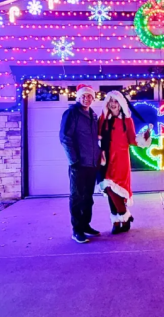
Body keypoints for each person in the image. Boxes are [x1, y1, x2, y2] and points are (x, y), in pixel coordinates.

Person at [97, 91, 152, 233]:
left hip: (121, 159)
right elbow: (97, 137)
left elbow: (132, 140)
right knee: (108, 188)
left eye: (115, 101)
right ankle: (121, 218)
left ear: (120, 104)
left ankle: (120, 219)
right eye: (110, 101)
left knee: (117, 189)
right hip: (105, 159)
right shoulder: (103, 118)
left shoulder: (127, 120)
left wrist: (144, 138)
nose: (113, 104)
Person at [59, 84, 101, 244]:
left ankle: (85, 225)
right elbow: (65, 138)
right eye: (83, 96)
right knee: (77, 196)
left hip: (92, 163)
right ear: (78, 97)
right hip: (78, 163)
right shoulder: (72, 113)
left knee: (88, 197)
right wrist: (73, 160)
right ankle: (77, 230)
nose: (86, 98)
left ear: (93, 98)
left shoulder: (93, 115)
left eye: (89, 96)